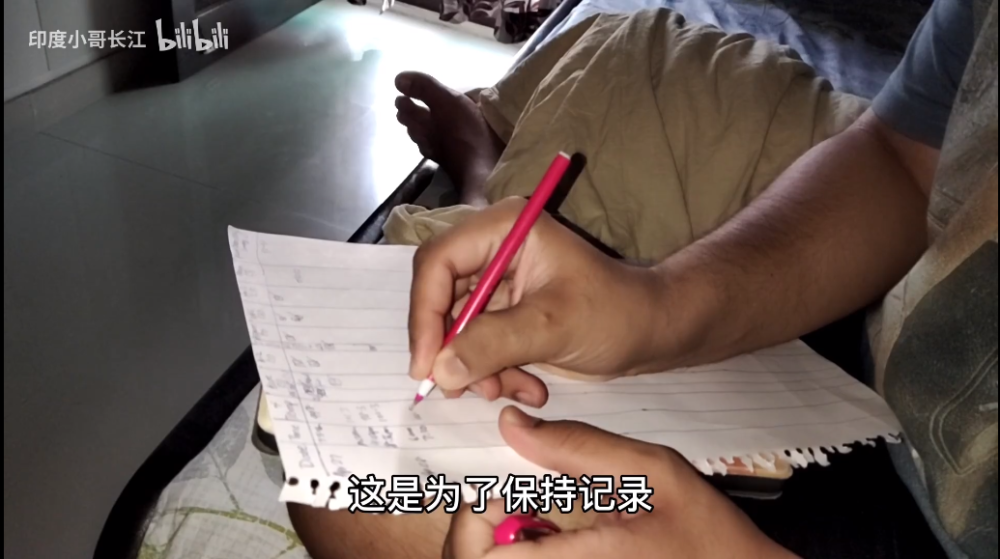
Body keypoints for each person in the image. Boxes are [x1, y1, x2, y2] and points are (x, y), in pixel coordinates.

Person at [291, 0, 997, 557]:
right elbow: (906, 158)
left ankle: (481, 177)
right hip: (879, 373)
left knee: (402, 509)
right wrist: (656, 306)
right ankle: (486, 176)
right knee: (348, 480)